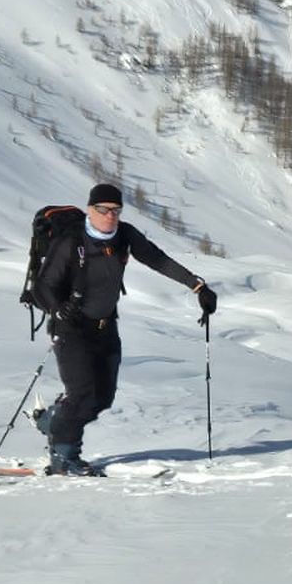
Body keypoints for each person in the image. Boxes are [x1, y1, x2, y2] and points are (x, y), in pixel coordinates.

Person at [30, 183, 218, 475]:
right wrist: (57, 309)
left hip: (106, 327)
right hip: (71, 328)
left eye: (116, 210)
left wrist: (198, 286)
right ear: (90, 210)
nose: (110, 216)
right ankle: (64, 459)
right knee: (81, 394)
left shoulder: (124, 235)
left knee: (102, 398)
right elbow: (42, 286)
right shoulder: (71, 241)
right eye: (103, 210)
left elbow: (157, 259)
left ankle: (53, 421)